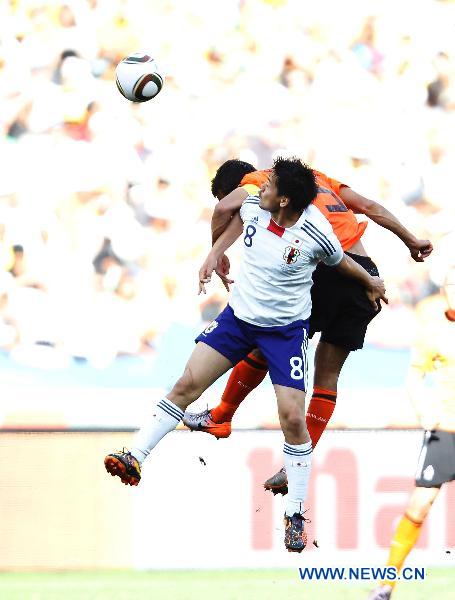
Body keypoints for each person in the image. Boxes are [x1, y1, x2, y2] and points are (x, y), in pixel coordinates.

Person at [105, 157, 387, 552]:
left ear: (285, 200)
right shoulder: (256, 206)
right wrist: (213, 253)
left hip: (285, 334)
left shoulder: (316, 231)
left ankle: (294, 514)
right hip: (238, 320)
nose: (259, 188)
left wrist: (370, 281)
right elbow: (232, 219)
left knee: (292, 419)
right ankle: (135, 455)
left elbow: (340, 262)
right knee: (187, 383)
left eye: (269, 185)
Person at [183, 159, 433, 495]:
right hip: (366, 274)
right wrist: (412, 240)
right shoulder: (320, 178)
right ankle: (296, 463)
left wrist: (217, 249)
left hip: (331, 268)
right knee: (327, 376)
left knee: (264, 334)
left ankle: (222, 415)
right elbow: (370, 206)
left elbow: (226, 207)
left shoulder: (259, 182)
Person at [369, 265, 455, 599]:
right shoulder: (433, 332)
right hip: (445, 430)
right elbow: (414, 376)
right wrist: (425, 409)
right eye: (451, 285)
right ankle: (386, 585)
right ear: (443, 290)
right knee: (418, 507)